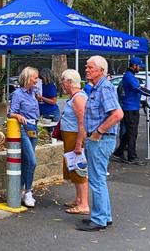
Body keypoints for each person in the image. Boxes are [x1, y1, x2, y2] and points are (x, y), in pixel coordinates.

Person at [76, 55, 123, 232]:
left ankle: (99, 219)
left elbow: (118, 114)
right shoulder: (97, 88)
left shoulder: (104, 88)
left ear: (101, 71)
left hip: (101, 140)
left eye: (90, 67)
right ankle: (104, 216)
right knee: (99, 179)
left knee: (96, 180)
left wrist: (98, 132)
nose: (87, 69)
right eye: (86, 67)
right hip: (99, 140)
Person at [112, 57, 150, 165]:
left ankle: (119, 152)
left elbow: (138, 90)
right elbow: (140, 90)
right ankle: (132, 156)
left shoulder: (130, 76)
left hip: (132, 108)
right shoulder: (129, 76)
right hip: (130, 109)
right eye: (139, 66)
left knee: (128, 133)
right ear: (133, 66)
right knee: (132, 133)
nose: (140, 69)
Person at [7, 66, 40, 208]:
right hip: (23, 129)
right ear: (27, 78)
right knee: (32, 162)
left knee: (27, 161)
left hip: (34, 128)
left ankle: (21, 189)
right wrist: (18, 116)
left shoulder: (34, 93)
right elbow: (11, 113)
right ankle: (28, 191)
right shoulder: (17, 94)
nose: (37, 80)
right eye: (35, 77)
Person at [59, 69, 89, 216]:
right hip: (70, 136)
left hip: (75, 137)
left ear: (69, 82)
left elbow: (82, 122)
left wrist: (78, 143)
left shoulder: (78, 98)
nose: (62, 85)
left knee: (79, 169)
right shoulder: (74, 97)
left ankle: (84, 204)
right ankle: (78, 199)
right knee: (74, 168)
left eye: (63, 81)